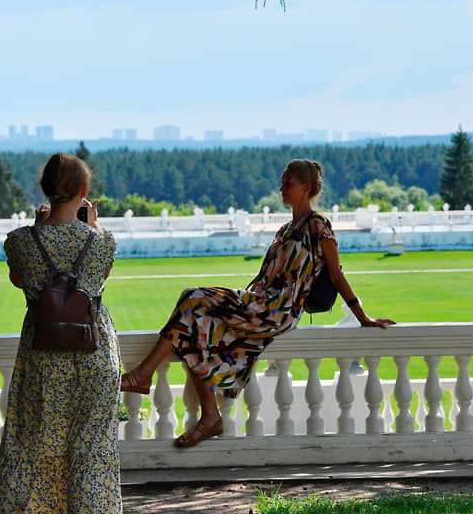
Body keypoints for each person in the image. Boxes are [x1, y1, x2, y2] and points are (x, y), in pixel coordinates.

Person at [120, 158, 396, 447]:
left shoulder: (318, 224)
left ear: (306, 187)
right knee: (193, 327)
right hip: (261, 301)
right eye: (282, 183)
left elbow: (336, 274)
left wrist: (362, 316)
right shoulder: (285, 229)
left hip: (279, 310)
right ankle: (210, 417)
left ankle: (143, 374)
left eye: (288, 183)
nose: (282, 188)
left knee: (193, 297)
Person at [0, 153, 122, 513]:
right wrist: (91, 229)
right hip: (94, 354)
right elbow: (99, 281)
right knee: (92, 451)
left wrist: (37, 228)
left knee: (28, 445)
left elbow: (20, 281)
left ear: (45, 190)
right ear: (84, 190)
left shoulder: (19, 242)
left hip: (43, 358)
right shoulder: (103, 243)